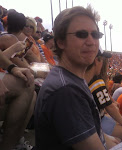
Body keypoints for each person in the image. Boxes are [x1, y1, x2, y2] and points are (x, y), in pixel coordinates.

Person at [34, 6, 116, 150]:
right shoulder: (67, 91)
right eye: (81, 34)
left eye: (95, 35)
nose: (91, 42)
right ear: (60, 42)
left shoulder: (70, 78)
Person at [85, 48, 122, 141]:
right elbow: (109, 107)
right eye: (102, 61)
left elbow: (107, 98)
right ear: (96, 61)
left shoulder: (84, 78)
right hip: (95, 122)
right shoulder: (96, 81)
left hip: (92, 120)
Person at [0, 49, 36, 150]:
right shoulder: (10, 38)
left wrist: (13, 68)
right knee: (24, 85)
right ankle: (7, 146)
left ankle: (15, 141)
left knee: (32, 93)